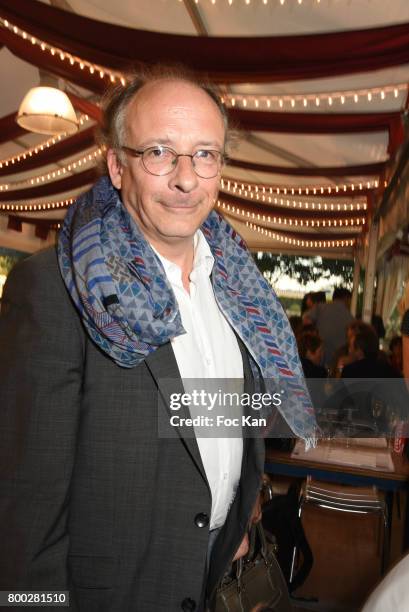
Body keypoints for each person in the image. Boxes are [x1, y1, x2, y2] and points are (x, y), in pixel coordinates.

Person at [0, 66, 316, 612]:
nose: (186, 178)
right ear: (118, 166)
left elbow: (223, 424)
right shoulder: (53, 288)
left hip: (219, 576)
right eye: (159, 153)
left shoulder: (240, 291)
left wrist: (236, 509)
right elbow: (23, 515)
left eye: (205, 154)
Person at [303, 287, 354, 368]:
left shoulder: (320, 307)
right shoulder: (351, 319)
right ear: (347, 299)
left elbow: (306, 320)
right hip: (337, 363)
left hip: (319, 359)